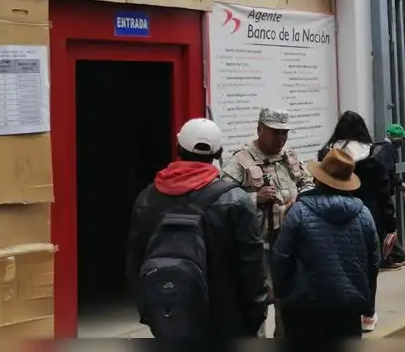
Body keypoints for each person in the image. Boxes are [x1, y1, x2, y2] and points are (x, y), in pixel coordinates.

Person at [126, 118, 268, 338]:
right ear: (218, 153)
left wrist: (152, 307)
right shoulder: (235, 199)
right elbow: (252, 266)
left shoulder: (147, 197)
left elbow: (135, 261)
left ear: (178, 148)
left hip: (171, 313)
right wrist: (256, 313)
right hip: (225, 319)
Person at [222, 107, 314, 337]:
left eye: (285, 133)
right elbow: (222, 201)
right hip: (256, 245)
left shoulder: (289, 156)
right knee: (257, 300)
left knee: (289, 298)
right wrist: (255, 198)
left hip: (290, 241)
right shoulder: (241, 160)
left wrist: (300, 201)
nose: (281, 138)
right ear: (259, 130)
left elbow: (308, 182)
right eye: (275, 132)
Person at [271, 148, 380, 339]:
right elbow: (373, 265)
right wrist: (368, 306)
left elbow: (281, 259)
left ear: (317, 179)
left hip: (304, 309)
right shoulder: (364, 215)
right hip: (348, 309)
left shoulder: (299, 212)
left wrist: (283, 298)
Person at [318, 111, 393, 333]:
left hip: (333, 215)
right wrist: (391, 224)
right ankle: (368, 313)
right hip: (369, 215)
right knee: (369, 265)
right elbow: (384, 193)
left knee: (339, 263)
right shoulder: (373, 154)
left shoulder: (328, 153)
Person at [374, 123, 405, 269]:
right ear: (397, 139)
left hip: (375, 194)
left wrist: (399, 183)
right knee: (387, 226)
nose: (403, 142)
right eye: (402, 139)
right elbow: (388, 173)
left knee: (384, 226)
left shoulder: (379, 147)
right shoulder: (388, 149)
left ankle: (394, 256)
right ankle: (386, 259)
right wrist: (398, 183)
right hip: (381, 195)